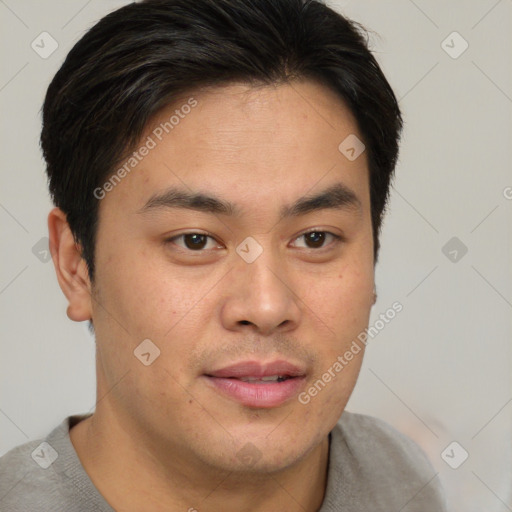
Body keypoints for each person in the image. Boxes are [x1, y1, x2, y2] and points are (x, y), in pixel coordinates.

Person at [0, 0, 447, 510]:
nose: (265, 306)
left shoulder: (398, 478)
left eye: (316, 238)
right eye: (195, 240)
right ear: (76, 267)